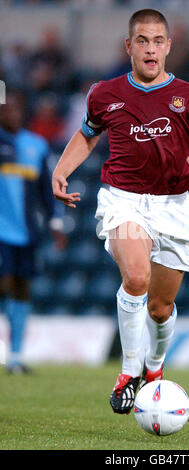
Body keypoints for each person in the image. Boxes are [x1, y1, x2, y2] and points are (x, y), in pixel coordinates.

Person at [52, 9, 189, 414]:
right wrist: (61, 170)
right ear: (129, 46)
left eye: (158, 41)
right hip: (123, 199)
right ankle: (128, 373)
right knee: (135, 277)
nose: (150, 48)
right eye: (142, 41)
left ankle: (154, 368)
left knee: (161, 307)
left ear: (169, 46)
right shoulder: (104, 94)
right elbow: (87, 134)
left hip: (175, 205)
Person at [0, 91, 66, 374]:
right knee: (5, 285)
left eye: (17, 109)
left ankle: (15, 356)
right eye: (7, 110)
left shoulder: (35, 145)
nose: (12, 114)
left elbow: (46, 191)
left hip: (26, 233)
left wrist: (56, 223)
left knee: (21, 289)